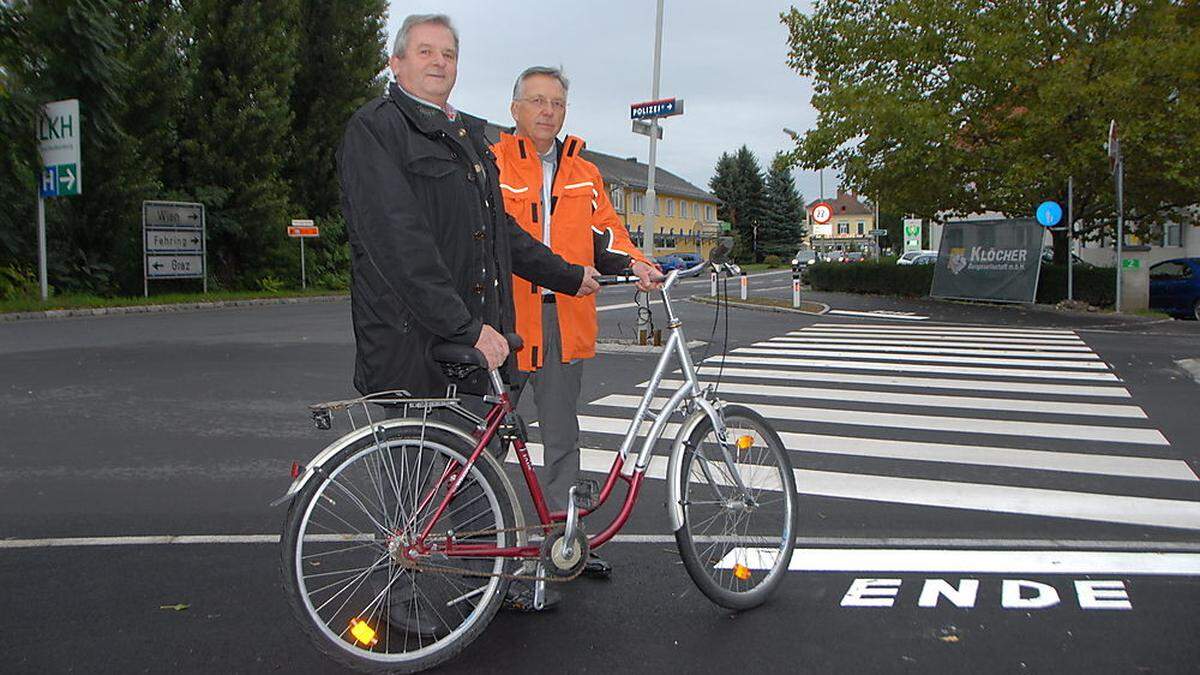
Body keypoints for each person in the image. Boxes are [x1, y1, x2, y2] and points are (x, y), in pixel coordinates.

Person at [336, 15, 600, 634]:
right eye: (425, 52)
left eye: (448, 53)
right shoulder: (376, 131)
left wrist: (566, 275)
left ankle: (490, 584)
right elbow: (399, 242)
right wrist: (464, 324)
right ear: (396, 64)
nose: (438, 62)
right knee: (418, 482)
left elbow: (500, 234)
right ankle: (400, 605)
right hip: (412, 341)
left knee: (475, 472)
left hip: (471, 343)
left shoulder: (465, 140)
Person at [493, 66, 662, 602]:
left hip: (564, 318)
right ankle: (478, 549)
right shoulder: (492, 163)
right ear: (515, 108)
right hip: (506, 321)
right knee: (490, 440)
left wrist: (639, 264)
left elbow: (608, 234)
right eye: (537, 101)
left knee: (562, 438)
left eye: (557, 103)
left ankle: (563, 544)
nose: (547, 111)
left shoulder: (585, 173)